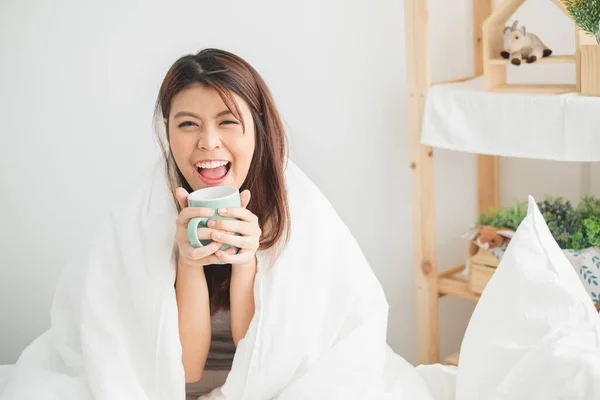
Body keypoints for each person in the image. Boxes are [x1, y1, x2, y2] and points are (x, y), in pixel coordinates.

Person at [155, 48, 291, 397]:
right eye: (187, 124)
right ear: (168, 132)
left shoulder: (292, 202)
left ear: (258, 128)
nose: (208, 142)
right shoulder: (150, 206)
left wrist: (246, 261)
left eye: (227, 121)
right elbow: (186, 370)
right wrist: (188, 261)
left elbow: (271, 364)